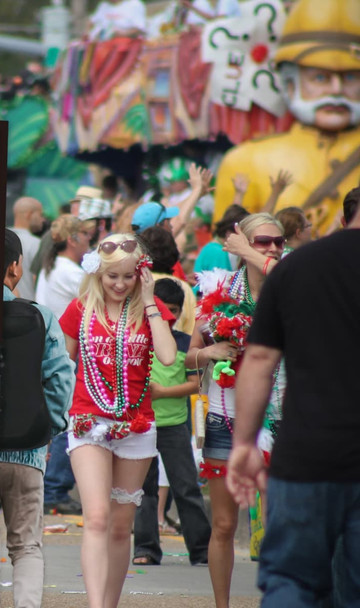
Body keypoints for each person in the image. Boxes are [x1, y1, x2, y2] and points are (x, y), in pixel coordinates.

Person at [226, 198, 360, 606]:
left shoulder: (301, 267)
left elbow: (261, 359)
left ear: (342, 217)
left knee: (291, 584)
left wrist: (244, 443)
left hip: (306, 454)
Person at [0, 229, 75, 608]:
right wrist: (48, 430)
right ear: (16, 268)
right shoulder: (41, 317)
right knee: (26, 547)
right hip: (25, 451)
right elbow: (61, 379)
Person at [59, 233, 177, 607]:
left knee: (121, 526)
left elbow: (169, 357)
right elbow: (65, 362)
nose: (120, 284)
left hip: (136, 425)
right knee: (95, 517)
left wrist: (148, 302)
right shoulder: (80, 308)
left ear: (141, 274)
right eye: (113, 277)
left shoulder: (151, 306)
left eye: (129, 276)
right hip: (88, 422)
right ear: (98, 274)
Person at [185, 213, 285, 608]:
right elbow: (188, 357)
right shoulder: (219, 291)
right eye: (263, 242)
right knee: (224, 524)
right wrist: (208, 351)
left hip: (283, 418)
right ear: (242, 246)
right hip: (226, 418)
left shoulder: (290, 285)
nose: (274, 248)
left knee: (284, 523)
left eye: (278, 241)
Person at [213, 0, 360, 235]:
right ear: (290, 83)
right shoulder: (245, 160)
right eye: (320, 78)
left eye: (351, 77)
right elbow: (227, 248)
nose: (336, 89)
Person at [133, 278, 211, 567]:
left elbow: (195, 384)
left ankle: (202, 550)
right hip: (142, 425)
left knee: (186, 487)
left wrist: (162, 392)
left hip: (174, 425)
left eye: (175, 310)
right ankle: (145, 548)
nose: (169, 316)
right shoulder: (138, 338)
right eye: (164, 308)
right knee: (144, 490)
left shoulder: (183, 343)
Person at [36, 214, 94, 515]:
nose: (89, 240)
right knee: (67, 422)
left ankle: (52, 488)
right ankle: (55, 490)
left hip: (54, 350)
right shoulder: (70, 272)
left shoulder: (55, 266)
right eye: (86, 235)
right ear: (72, 239)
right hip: (65, 352)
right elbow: (96, 298)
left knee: (61, 419)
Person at [9, 197, 45, 300]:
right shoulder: (37, 244)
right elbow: (38, 280)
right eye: (40, 215)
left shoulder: (2, 237)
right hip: (27, 306)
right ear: (29, 214)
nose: (43, 219)